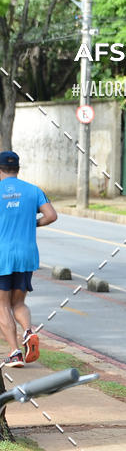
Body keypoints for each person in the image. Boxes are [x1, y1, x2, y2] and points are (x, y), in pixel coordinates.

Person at [0, 151, 57, 367]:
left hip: (2, 255)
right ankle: (28, 331)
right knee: (18, 302)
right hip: (26, 255)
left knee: (1, 304)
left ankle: (15, 352)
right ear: (18, 169)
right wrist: (33, 224)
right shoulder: (33, 190)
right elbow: (51, 215)